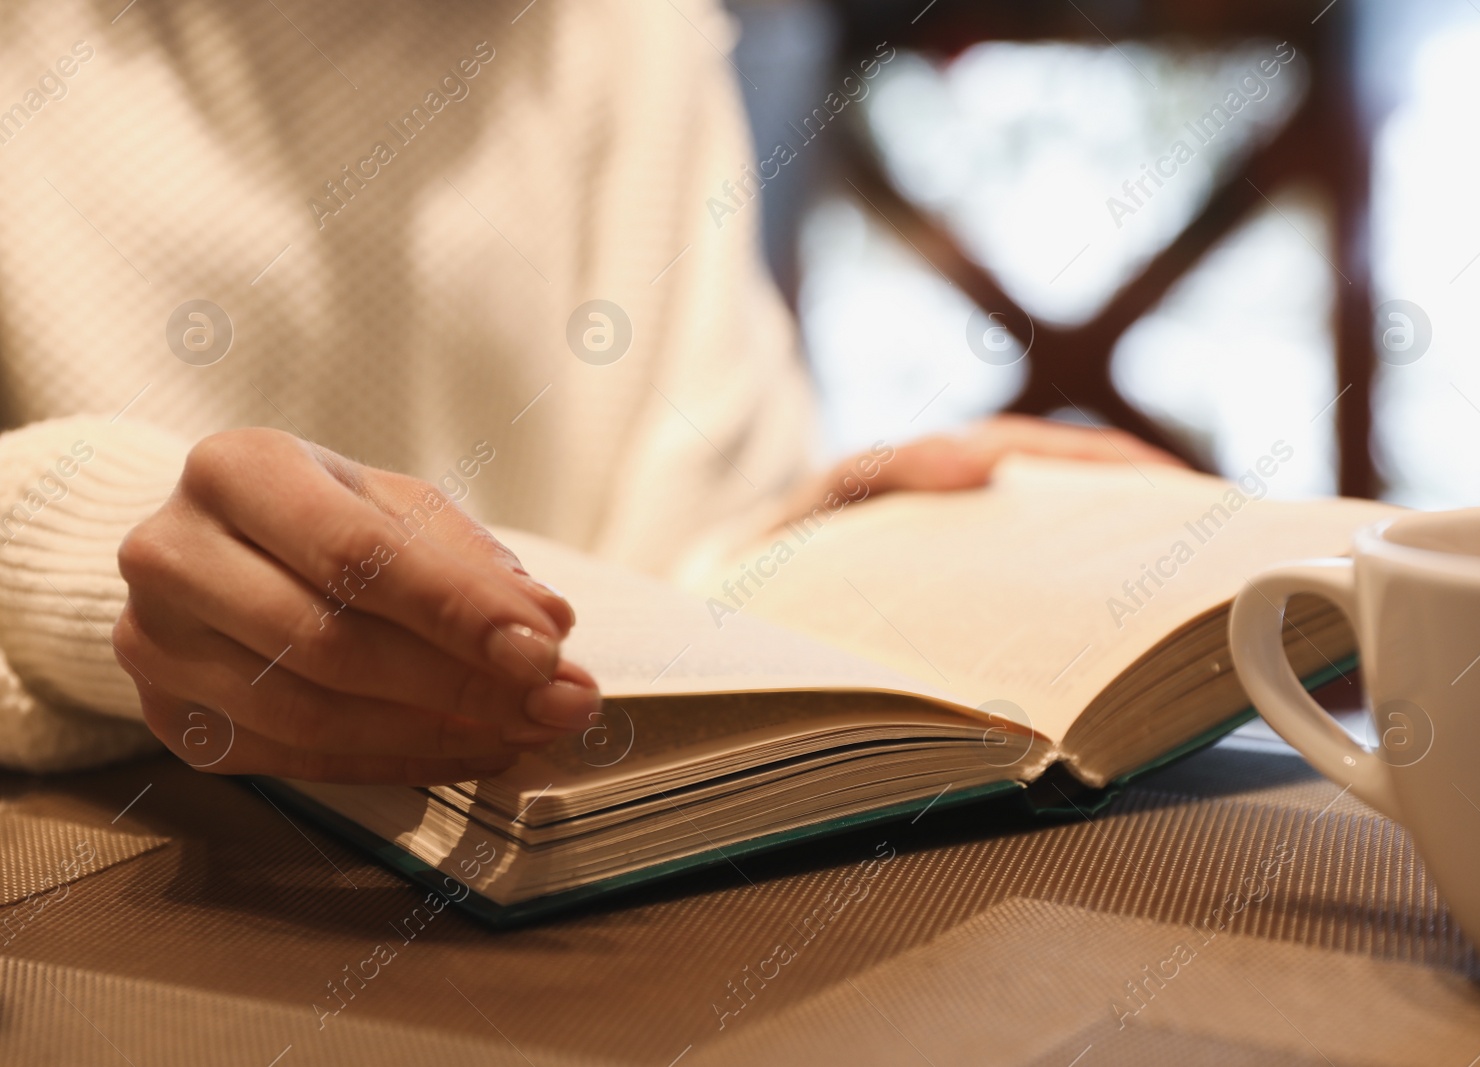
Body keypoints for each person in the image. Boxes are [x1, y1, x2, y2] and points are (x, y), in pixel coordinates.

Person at [0, 0, 1173, 783]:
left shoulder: (625, 26)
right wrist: (81, 549)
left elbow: (657, 553)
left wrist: (809, 551)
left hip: (582, 883)